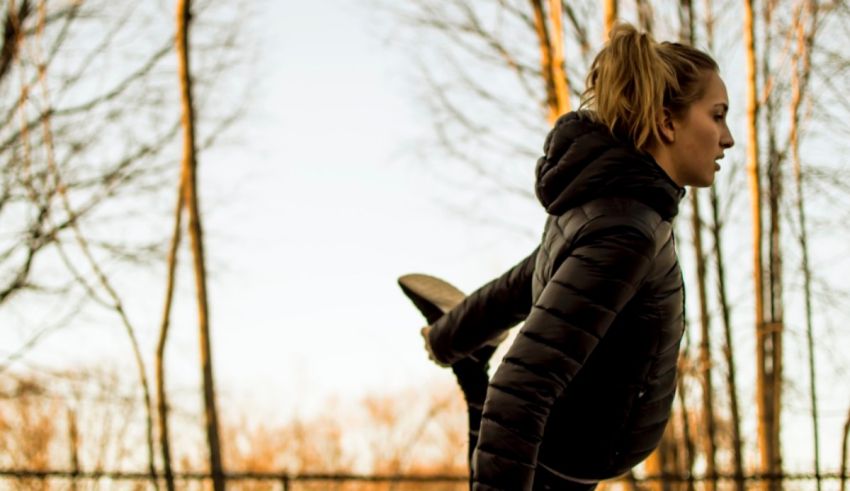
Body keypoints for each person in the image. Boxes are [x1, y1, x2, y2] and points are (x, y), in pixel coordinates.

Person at [419, 23, 734, 491]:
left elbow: (527, 281)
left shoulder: (605, 206)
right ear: (668, 122)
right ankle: (471, 372)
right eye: (718, 115)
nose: (727, 138)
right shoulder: (626, 230)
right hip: (557, 463)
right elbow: (519, 391)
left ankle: (469, 362)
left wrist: (451, 336)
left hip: (565, 456)